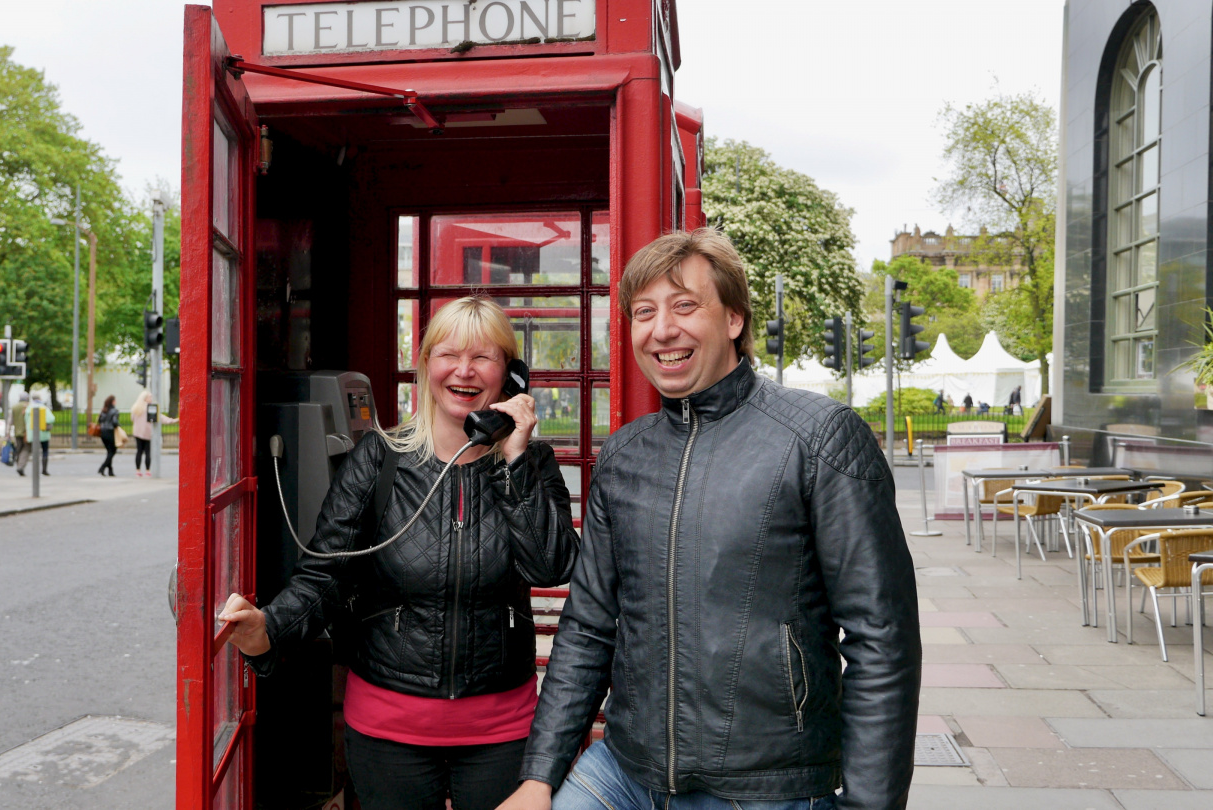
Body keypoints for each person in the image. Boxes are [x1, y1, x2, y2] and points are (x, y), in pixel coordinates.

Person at [499, 229, 920, 810]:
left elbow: (883, 638)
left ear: (734, 321)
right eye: (644, 312)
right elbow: (588, 626)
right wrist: (539, 776)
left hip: (764, 786)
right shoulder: (624, 454)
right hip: (623, 771)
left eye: (685, 305)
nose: (662, 329)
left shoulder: (820, 437)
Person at [219, 297, 580, 810]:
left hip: (503, 731)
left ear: (511, 375)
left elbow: (550, 566)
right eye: (448, 354)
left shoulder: (532, 464)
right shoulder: (380, 458)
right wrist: (268, 628)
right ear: (425, 365)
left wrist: (513, 458)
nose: (464, 370)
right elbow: (325, 574)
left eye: (484, 358)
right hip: (389, 732)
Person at [129, 389, 178, 477]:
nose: (151, 397)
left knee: (139, 451)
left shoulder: (136, 408)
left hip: (137, 432)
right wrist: (172, 421)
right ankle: (147, 470)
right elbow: (160, 417)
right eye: (150, 396)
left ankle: (138, 470)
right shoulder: (150, 407)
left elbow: (132, 419)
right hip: (148, 433)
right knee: (148, 452)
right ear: (145, 398)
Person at [27, 394, 55, 476]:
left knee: (35, 452)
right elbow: (51, 419)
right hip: (43, 433)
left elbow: (26, 420)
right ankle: (44, 469)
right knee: (45, 451)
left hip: (32, 433)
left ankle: (35, 470)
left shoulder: (29, 408)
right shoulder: (44, 408)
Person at [96, 395, 120, 476]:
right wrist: (119, 426)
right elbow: (115, 422)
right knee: (113, 451)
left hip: (103, 433)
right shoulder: (115, 411)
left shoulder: (104, 410)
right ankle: (102, 467)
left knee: (109, 451)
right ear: (113, 402)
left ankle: (110, 471)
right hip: (110, 432)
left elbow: (99, 421)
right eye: (115, 400)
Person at [11, 393, 31, 476]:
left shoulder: (14, 407)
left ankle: (18, 464)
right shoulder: (29, 406)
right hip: (27, 432)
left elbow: (10, 421)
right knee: (26, 449)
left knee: (18, 449)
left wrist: (7, 433)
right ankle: (21, 466)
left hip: (17, 432)